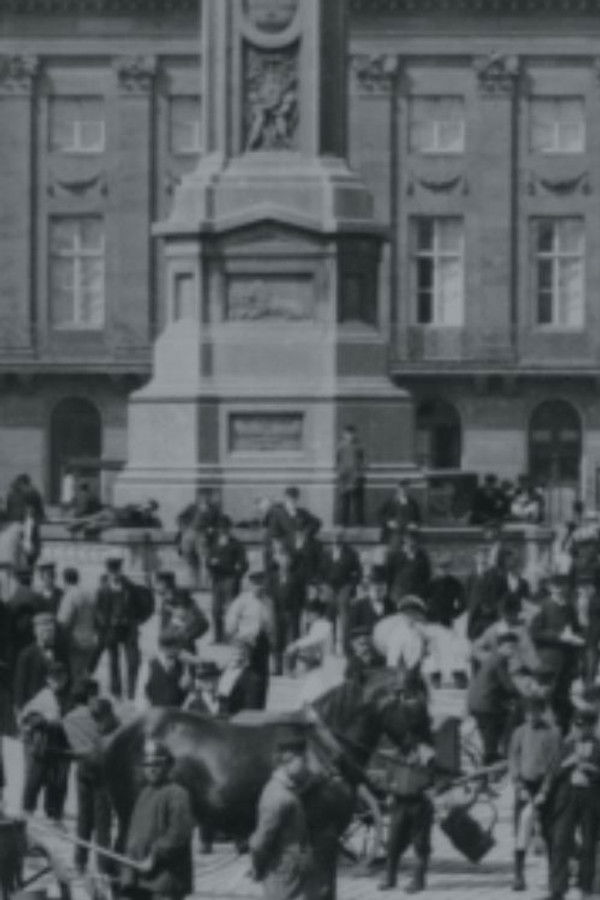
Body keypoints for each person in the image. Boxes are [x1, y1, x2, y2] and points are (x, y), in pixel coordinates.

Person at [123, 739, 194, 900]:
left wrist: (154, 855)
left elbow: (179, 834)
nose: (152, 769)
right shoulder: (143, 794)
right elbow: (134, 836)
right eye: (147, 765)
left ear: (168, 765)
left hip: (166, 880)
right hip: (141, 879)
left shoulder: (177, 794)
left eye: (157, 764)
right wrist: (128, 873)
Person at [543, 704, 600, 900]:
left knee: (588, 843)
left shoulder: (599, 747)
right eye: (576, 726)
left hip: (590, 799)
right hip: (567, 798)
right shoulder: (566, 746)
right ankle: (557, 888)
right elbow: (552, 772)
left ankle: (585, 885)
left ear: (592, 727)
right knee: (560, 841)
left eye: (583, 727)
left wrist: (592, 769)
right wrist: (568, 763)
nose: (578, 731)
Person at [249, 734, 313, 900]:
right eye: (303, 761)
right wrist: (257, 867)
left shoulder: (287, 789)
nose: (307, 766)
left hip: (291, 870)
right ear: (288, 761)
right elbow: (259, 842)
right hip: (282, 871)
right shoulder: (277, 796)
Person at [508, 694, 561, 892]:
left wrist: (545, 791)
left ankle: (551, 875)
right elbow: (513, 758)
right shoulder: (519, 732)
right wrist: (518, 785)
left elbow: (554, 765)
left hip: (544, 787)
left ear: (542, 711)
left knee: (548, 831)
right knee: (522, 830)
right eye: (528, 713)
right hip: (524, 786)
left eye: (535, 712)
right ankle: (518, 875)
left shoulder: (553, 734)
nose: (531, 717)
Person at [379, 728, 436, 893]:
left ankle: (418, 881)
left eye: (408, 737)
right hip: (399, 803)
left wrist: (431, 787)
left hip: (420, 804)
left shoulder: (426, 756)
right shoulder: (394, 756)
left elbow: (436, 778)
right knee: (393, 842)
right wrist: (389, 790)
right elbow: (387, 779)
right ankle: (390, 878)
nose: (405, 741)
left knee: (420, 844)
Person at [529, 572, 583, 733]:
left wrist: (577, 638)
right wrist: (558, 636)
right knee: (546, 697)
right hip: (549, 661)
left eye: (562, 586)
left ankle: (562, 732)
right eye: (555, 587)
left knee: (564, 698)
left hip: (567, 661)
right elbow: (534, 632)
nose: (559, 590)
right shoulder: (543, 606)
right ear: (550, 588)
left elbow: (576, 629)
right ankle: (542, 732)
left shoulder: (569, 607)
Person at [20, 660, 71, 822]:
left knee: (56, 782)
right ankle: (27, 810)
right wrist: (44, 720)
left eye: (61, 678)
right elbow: (28, 718)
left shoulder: (67, 698)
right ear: (48, 679)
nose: (58, 682)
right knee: (35, 778)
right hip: (42, 745)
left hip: (59, 745)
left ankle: (53, 813)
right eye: (55, 678)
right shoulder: (43, 696)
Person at [466, 631, 521, 765]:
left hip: (477, 702)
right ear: (501, 647)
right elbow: (508, 686)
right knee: (493, 732)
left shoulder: (492, 658)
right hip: (485, 704)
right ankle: (492, 759)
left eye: (515, 648)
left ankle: (490, 756)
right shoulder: (500, 660)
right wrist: (522, 695)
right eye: (510, 647)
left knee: (490, 732)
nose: (512, 651)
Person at [95, 557, 144, 700]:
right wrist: (104, 625)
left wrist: (135, 621)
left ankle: (132, 692)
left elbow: (140, 606)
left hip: (129, 629)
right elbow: (98, 610)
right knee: (113, 662)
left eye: (117, 571)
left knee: (133, 661)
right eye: (112, 571)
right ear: (108, 572)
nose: (115, 574)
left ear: (120, 571)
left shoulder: (130, 587)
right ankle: (116, 692)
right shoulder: (102, 589)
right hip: (111, 629)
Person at [225, 572, 272, 708]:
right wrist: (238, 640)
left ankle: (259, 709)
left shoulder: (268, 602)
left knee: (261, 681)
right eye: (256, 584)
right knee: (246, 678)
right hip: (246, 644)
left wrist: (270, 640)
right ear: (250, 584)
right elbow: (230, 624)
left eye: (261, 583)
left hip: (262, 644)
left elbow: (270, 625)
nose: (259, 587)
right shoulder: (241, 601)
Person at [14, 612, 70, 712]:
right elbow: (20, 684)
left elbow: (68, 678)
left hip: (56, 705)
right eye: (45, 631)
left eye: (52, 631)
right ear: (36, 632)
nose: (50, 635)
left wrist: (65, 701)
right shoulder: (27, 655)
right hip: (34, 705)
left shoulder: (61, 652)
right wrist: (20, 708)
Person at [206, 515, 248, 644]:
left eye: (225, 528)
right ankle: (218, 637)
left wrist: (236, 575)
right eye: (221, 528)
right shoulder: (214, 544)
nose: (223, 531)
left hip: (230, 579)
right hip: (217, 579)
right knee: (216, 610)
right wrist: (211, 564)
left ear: (229, 529)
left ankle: (231, 636)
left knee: (232, 610)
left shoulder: (236, 544)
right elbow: (208, 560)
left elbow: (244, 564)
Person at [320, 527, 362, 653]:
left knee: (345, 618)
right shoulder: (326, 553)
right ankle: (329, 648)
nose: (336, 539)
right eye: (334, 537)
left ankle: (345, 648)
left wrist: (351, 586)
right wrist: (323, 586)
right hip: (329, 587)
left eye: (339, 537)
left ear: (343, 538)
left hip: (344, 586)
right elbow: (321, 571)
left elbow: (358, 572)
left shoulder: (351, 553)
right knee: (329, 618)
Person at [57, 567, 97, 686]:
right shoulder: (90, 595)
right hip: (90, 640)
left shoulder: (70, 595)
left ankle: (76, 699)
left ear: (65, 581)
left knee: (74, 675)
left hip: (75, 642)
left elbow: (63, 620)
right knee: (84, 673)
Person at [176, 489, 221, 589]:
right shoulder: (192, 507)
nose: (205, 498)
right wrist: (184, 528)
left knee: (205, 560)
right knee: (190, 559)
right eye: (202, 496)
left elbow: (218, 523)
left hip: (203, 535)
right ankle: (194, 583)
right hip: (190, 533)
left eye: (207, 496)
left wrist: (212, 529)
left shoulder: (214, 509)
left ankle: (206, 584)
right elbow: (180, 517)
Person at [157, 571, 209, 654]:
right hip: (189, 626)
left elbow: (182, 614)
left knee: (178, 644)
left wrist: (167, 635)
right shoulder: (168, 597)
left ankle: (192, 662)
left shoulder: (176, 595)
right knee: (179, 644)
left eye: (157, 584)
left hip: (194, 624)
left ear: (164, 583)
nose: (156, 587)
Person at [136, 628, 188, 710]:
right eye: (176, 647)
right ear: (163, 648)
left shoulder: (182, 665)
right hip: (155, 714)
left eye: (180, 647)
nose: (180, 650)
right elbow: (141, 694)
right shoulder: (149, 665)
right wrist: (146, 713)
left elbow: (185, 697)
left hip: (176, 714)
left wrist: (185, 689)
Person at [284, 598, 334, 675]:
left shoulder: (323, 624)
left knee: (295, 650)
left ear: (316, 614)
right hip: (319, 657)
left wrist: (296, 645)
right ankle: (295, 671)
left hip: (324, 660)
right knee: (296, 650)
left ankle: (294, 671)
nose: (307, 617)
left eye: (309, 614)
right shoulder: (318, 624)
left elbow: (312, 639)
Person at [336, 425, 366, 527]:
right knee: (345, 501)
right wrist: (341, 475)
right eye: (348, 434)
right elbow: (338, 461)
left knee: (358, 502)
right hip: (344, 477)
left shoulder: (359, 446)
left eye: (352, 434)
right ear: (344, 434)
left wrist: (359, 475)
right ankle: (343, 523)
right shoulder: (340, 447)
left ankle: (360, 523)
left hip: (357, 477)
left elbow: (361, 461)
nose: (350, 436)